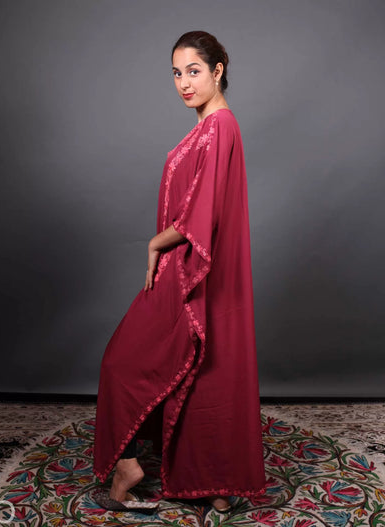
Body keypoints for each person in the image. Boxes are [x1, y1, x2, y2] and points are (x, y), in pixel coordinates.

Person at [92, 30, 267, 513]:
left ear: (218, 70)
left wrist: (155, 242)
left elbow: (200, 214)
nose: (184, 83)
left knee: (134, 364)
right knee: (188, 370)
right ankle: (205, 480)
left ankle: (164, 471)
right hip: (184, 267)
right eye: (176, 73)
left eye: (194, 71)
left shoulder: (220, 126)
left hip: (190, 270)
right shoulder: (206, 128)